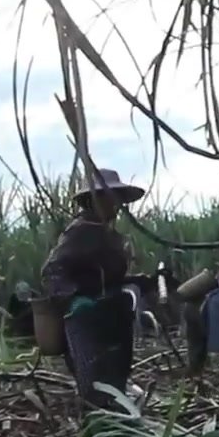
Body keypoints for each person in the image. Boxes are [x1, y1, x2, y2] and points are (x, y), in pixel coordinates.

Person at [41, 168, 141, 409]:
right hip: (86, 316)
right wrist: (73, 298)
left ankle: (117, 422)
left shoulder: (109, 234)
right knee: (93, 381)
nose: (115, 205)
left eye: (116, 198)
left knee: (116, 376)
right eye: (108, 198)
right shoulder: (80, 231)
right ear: (93, 200)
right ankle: (97, 426)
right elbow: (52, 271)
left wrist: (141, 281)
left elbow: (110, 276)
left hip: (112, 312)